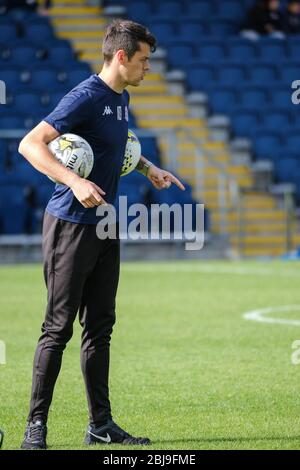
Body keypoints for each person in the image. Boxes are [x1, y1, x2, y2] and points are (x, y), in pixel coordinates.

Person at [18, 19, 185, 450]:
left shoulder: (121, 98)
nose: (149, 67)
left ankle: (100, 425)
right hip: (70, 225)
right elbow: (31, 144)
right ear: (122, 56)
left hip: (105, 225)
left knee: (100, 328)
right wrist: (74, 182)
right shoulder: (86, 96)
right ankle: (35, 427)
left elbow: (116, 143)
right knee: (58, 329)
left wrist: (149, 168)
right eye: (145, 60)